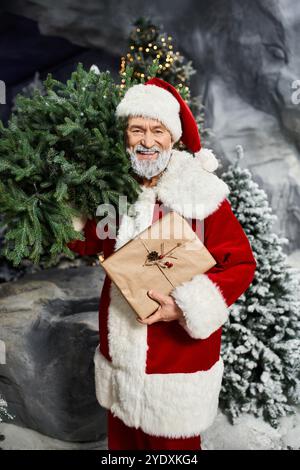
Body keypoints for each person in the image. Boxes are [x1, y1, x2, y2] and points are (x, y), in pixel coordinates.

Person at [67, 78, 256, 450]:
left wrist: (184, 306)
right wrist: (63, 208)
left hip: (176, 356)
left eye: (158, 130)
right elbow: (88, 241)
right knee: (123, 446)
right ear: (125, 136)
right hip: (119, 346)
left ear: (173, 138)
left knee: (172, 450)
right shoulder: (112, 188)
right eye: (137, 129)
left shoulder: (202, 194)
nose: (147, 141)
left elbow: (241, 263)